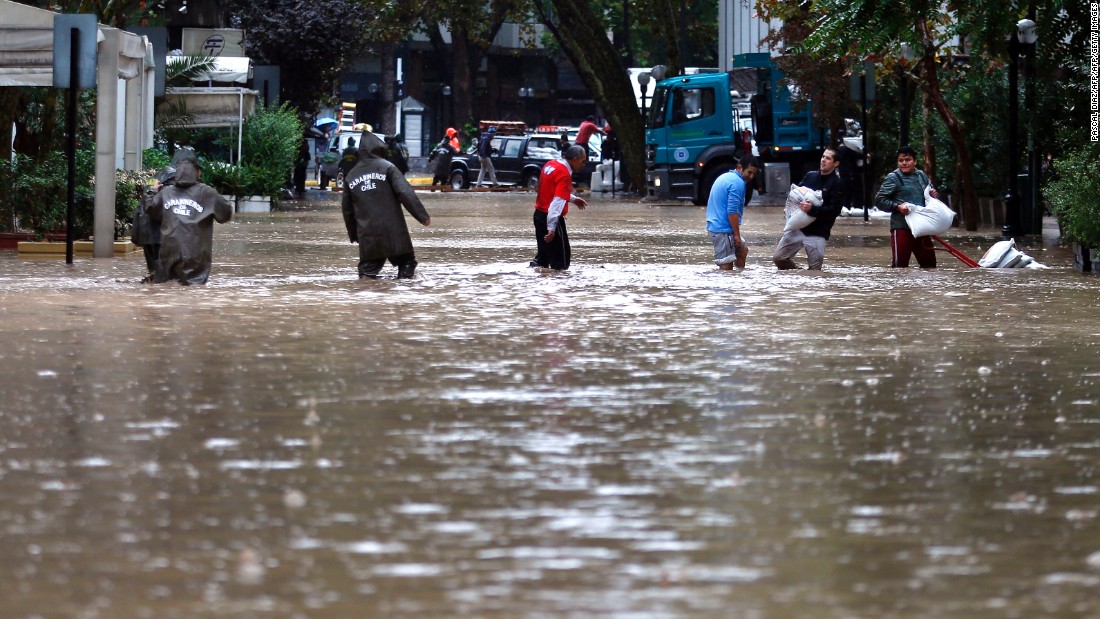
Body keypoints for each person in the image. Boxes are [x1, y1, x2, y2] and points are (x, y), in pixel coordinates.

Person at [341, 131, 431, 279]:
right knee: (406, 264)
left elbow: (347, 211)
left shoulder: (351, 175)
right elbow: (405, 193)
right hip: (395, 234)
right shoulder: (388, 167)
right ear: (379, 149)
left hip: (368, 237)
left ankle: (364, 299)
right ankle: (403, 298)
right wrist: (422, 217)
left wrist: (354, 235)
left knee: (366, 273)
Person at [146, 157, 233, 285]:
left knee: (167, 286)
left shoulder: (166, 192)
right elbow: (226, 214)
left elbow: (151, 209)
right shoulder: (207, 192)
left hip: (168, 252)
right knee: (193, 288)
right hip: (195, 254)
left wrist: (152, 190)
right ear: (197, 172)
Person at [772, 148, 844, 270]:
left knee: (815, 271)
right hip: (797, 228)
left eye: (828, 158)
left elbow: (834, 210)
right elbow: (795, 194)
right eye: (823, 157)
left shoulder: (837, 184)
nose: (823, 160)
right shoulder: (810, 176)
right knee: (779, 258)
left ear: (836, 163)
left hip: (818, 232)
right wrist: (788, 209)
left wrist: (812, 210)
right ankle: (797, 276)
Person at [874, 145, 939, 268]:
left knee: (930, 266)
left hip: (922, 228)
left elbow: (929, 193)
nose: (904, 163)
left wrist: (933, 194)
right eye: (901, 160)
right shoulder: (893, 177)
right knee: (900, 267)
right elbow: (879, 200)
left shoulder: (921, 175)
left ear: (915, 161)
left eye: (907, 160)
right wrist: (897, 207)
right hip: (901, 228)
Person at [531, 145, 588, 270]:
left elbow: (551, 190)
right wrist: (552, 229)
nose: (583, 164)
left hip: (538, 215)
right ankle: (559, 288)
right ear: (574, 159)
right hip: (551, 217)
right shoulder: (564, 174)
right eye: (582, 161)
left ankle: (534, 283)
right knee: (561, 263)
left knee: (543, 258)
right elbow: (556, 203)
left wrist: (572, 198)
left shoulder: (551, 164)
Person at [705, 156, 759, 270]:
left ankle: (739, 281)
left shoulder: (726, 177)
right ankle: (727, 286)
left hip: (717, 227)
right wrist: (736, 235)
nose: (751, 176)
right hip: (723, 231)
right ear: (739, 168)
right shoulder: (737, 183)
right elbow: (732, 211)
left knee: (743, 251)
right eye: (749, 172)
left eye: (754, 174)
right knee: (726, 267)